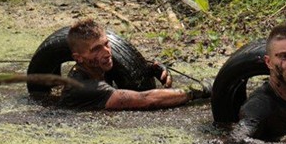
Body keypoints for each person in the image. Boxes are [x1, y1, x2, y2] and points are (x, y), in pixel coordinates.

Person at [60, 18, 211, 110]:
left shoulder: (99, 65)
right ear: (78, 58)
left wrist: (151, 69)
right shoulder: (82, 88)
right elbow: (145, 100)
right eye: (96, 49)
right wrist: (196, 90)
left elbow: (131, 66)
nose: (106, 52)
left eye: (106, 44)